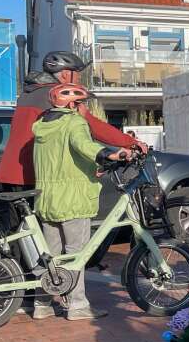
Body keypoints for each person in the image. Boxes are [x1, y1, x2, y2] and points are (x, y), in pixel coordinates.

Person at [30, 83, 138, 320]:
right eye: (80, 104)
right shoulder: (73, 122)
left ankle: (42, 304)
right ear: (71, 104)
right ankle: (77, 306)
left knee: (51, 255)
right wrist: (111, 153)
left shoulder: (42, 126)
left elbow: (63, 158)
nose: (83, 109)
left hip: (47, 198)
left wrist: (93, 167)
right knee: (76, 253)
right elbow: (83, 145)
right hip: (73, 199)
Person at [0, 52, 143, 187]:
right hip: (34, 174)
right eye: (77, 74)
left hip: (8, 172)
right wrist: (131, 142)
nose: (79, 79)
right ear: (67, 75)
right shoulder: (59, 96)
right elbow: (93, 127)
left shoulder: (28, 93)